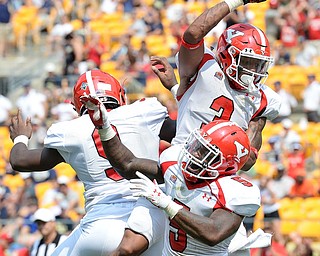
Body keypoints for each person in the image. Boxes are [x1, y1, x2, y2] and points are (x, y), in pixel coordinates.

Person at [9, 69, 169, 255]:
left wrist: (20, 137)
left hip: (100, 225)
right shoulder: (145, 111)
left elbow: (19, 160)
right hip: (152, 219)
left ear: (77, 105)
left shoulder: (71, 131)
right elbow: (184, 133)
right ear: (119, 94)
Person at [81, 95, 262, 255]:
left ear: (225, 165)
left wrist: (166, 203)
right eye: (198, 146)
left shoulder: (235, 191)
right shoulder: (177, 165)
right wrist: (104, 128)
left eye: (206, 153)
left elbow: (213, 233)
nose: (194, 154)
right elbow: (127, 164)